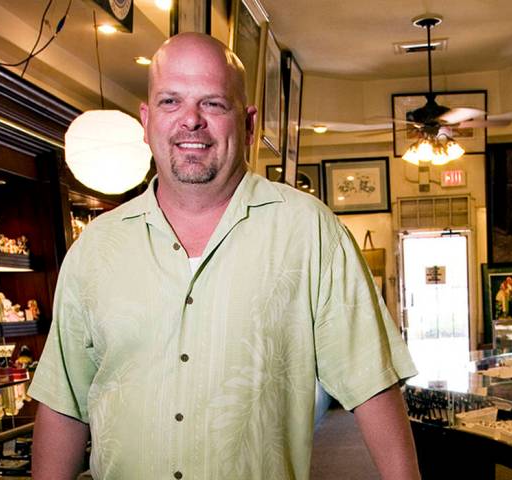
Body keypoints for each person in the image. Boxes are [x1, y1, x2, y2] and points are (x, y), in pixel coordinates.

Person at [29, 33, 420, 480]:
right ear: (146, 119)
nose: (190, 121)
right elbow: (64, 403)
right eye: (171, 101)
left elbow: (372, 382)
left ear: (249, 124)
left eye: (213, 103)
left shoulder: (308, 230)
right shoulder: (94, 250)